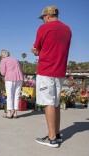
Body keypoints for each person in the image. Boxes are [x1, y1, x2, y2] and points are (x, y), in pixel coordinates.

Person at [31, 6, 72, 148]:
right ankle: (57, 134)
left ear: (47, 16)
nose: (43, 21)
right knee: (55, 104)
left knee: (48, 103)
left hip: (46, 70)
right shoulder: (67, 29)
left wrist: (35, 51)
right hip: (60, 71)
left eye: (43, 18)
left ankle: (52, 138)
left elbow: (37, 48)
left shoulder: (44, 28)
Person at [0, 49, 23, 119]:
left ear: (2, 55)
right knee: (16, 96)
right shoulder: (15, 59)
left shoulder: (3, 60)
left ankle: (9, 113)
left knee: (10, 96)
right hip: (19, 78)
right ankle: (15, 113)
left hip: (10, 78)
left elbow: (3, 72)